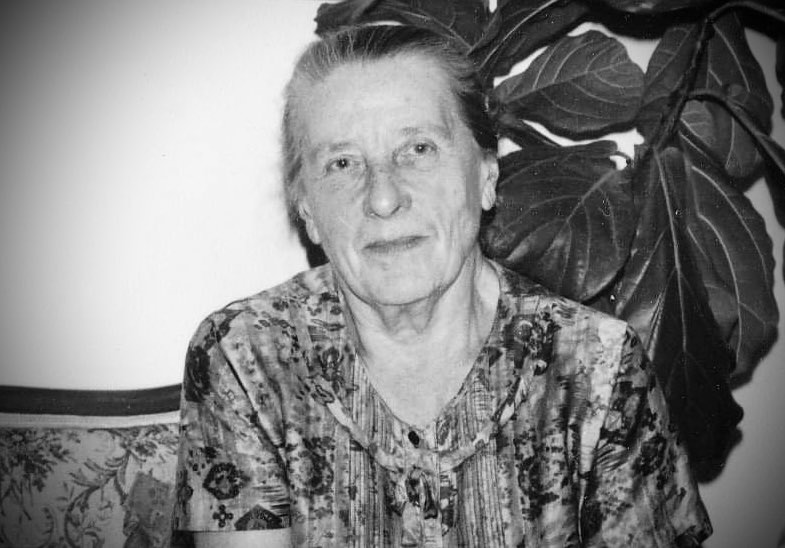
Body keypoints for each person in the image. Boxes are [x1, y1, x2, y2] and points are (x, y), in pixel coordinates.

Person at [172, 24, 711, 547]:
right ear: (307, 209)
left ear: (486, 176)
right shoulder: (248, 357)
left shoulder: (598, 366)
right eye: (343, 163)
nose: (383, 197)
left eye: (418, 149)